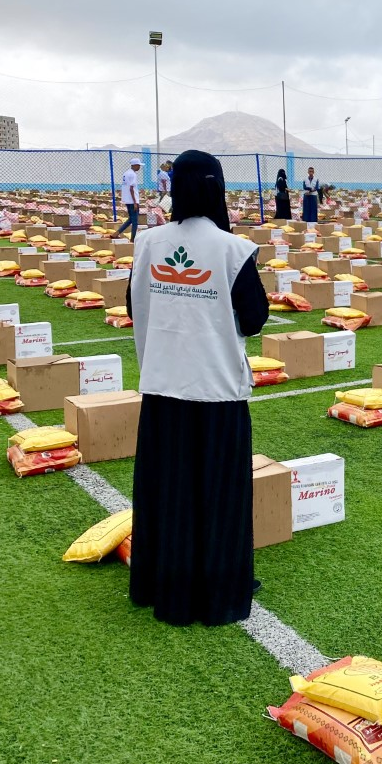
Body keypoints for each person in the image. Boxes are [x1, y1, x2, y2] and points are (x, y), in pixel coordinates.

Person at [126, 150, 270, 627]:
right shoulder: (232, 249)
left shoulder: (147, 243)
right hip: (216, 391)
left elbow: (134, 306)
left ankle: (161, 586)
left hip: (163, 384)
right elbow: (254, 317)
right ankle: (217, 593)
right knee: (218, 493)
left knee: (168, 488)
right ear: (217, 188)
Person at [116, 160, 142, 240]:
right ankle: (133, 239)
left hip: (127, 200)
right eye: (138, 165)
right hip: (132, 200)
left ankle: (117, 233)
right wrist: (135, 202)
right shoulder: (133, 174)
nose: (139, 167)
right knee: (135, 222)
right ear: (135, 165)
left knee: (131, 219)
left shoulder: (126, 173)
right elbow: (131, 188)